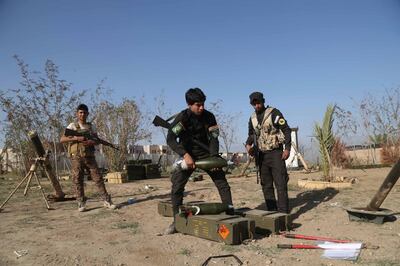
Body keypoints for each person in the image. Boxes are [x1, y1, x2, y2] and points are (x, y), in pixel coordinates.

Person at [165, 88, 233, 234]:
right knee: (177, 187)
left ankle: (230, 213)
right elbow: (170, 139)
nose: (201, 108)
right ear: (189, 104)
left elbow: (214, 138)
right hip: (187, 156)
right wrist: (185, 155)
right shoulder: (182, 118)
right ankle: (177, 221)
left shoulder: (209, 117)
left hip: (207, 154)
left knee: (223, 185)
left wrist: (214, 157)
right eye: (198, 105)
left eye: (203, 104)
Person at [60, 104, 117, 212]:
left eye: (84, 112)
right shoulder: (72, 126)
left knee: (98, 179)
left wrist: (92, 141)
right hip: (76, 157)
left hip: (90, 157)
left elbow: (96, 139)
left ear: (88, 114)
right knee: (78, 179)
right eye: (80, 112)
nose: (82, 114)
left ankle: (107, 201)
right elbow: (62, 139)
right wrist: (77, 138)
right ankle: (81, 203)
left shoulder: (92, 126)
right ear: (77, 113)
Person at [245, 92, 291, 214]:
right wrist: (248, 145)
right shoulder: (252, 118)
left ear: (263, 101)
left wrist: (287, 149)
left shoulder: (274, 113)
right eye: (254, 104)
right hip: (261, 155)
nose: (257, 106)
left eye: (258, 102)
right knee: (266, 185)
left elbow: (286, 130)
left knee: (280, 184)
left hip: (276, 153)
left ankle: (283, 214)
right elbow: (251, 134)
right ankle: (271, 212)